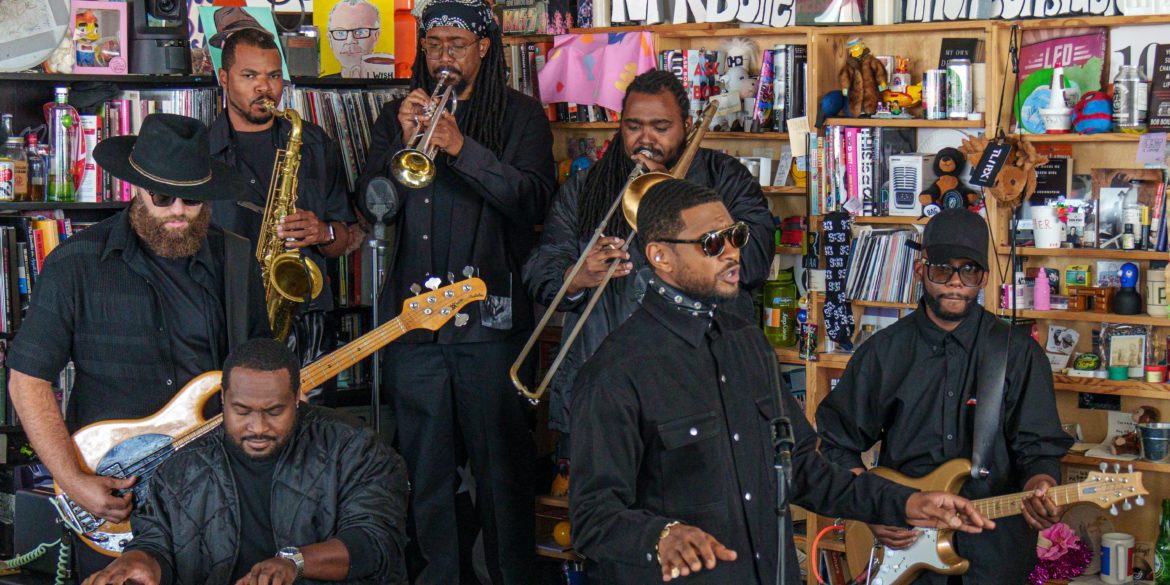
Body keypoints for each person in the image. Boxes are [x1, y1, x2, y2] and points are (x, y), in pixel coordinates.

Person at [570, 179, 995, 584]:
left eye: (735, 236)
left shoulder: (749, 344)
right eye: (712, 244)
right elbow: (593, 517)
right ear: (660, 256)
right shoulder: (616, 373)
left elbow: (805, 469)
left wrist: (904, 502)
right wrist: (659, 537)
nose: (732, 254)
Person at [6, 113, 271, 577]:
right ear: (136, 188)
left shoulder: (234, 259)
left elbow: (260, 363)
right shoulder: (76, 265)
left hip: (216, 494)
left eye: (191, 198)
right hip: (113, 493)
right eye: (163, 196)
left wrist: (279, 391)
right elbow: (27, 381)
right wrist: (74, 481)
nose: (178, 211)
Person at [356, 0, 556, 582]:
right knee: (426, 475)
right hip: (413, 329)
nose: (444, 57)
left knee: (503, 477)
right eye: (435, 45)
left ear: (484, 49)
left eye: (457, 46)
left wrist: (460, 147)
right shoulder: (399, 114)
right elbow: (371, 204)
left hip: (491, 329)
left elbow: (533, 201)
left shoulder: (519, 117)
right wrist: (401, 142)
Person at [815, 208, 1073, 584]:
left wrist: (1042, 489)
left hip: (996, 556)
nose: (955, 283)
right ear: (921, 272)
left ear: (983, 278)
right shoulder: (883, 352)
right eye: (941, 270)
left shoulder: (1017, 353)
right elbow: (836, 442)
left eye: (968, 270)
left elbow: (1039, 450)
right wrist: (872, 509)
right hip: (905, 548)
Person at [523, 69, 773, 452]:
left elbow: (753, 262)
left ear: (687, 126)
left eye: (661, 126)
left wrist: (684, 218)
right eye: (634, 126)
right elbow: (541, 268)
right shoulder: (587, 187)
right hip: (605, 379)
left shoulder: (725, 179)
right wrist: (575, 277)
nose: (645, 139)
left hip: (700, 378)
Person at [81, 338, 409, 585]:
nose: (258, 427)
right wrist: (138, 563)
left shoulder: (355, 449)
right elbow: (156, 543)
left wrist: (294, 562)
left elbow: (376, 542)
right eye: (242, 411)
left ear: (297, 398)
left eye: (274, 411)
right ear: (223, 400)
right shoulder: (182, 468)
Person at [207, 15, 356, 369]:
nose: (265, 88)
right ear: (224, 79)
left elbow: (347, 236)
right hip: (226, 320)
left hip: (307, 323)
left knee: (314, 424)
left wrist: (325, 232)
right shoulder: (200, 152)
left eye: (273, 76)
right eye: (250, 76)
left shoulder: (313, 142)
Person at [327, 0, 382, 77]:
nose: (350, 41)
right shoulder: (320, 86)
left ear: (376, 36)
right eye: (340, 33)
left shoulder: (387, 80)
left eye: (360, 32)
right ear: (330, 39)